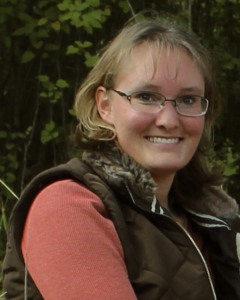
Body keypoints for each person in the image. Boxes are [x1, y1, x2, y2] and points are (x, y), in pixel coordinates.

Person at [2, 19, 240, 300]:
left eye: (188, 100)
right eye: (146, 96)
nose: (168, 119)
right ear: (105, 106)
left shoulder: (213, 219)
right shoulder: (68, 208)